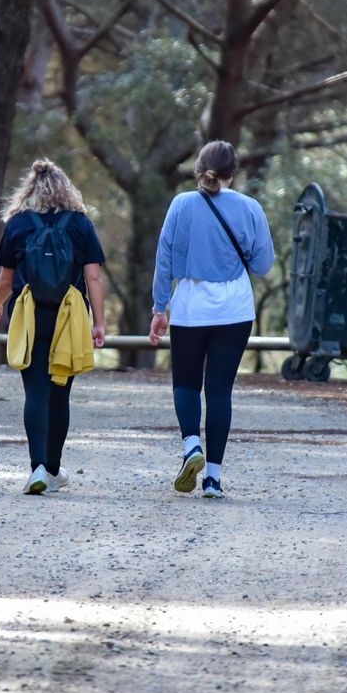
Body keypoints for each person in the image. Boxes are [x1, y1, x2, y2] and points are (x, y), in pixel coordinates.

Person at [149, 141, 275, 498]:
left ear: (198, 169)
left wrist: (160, 308)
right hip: (234, 310)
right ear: (233, 172)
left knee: (186, 384)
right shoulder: (251, 208)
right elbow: (264, 266)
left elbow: (164, 259)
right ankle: (214, 481)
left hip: (190, 309)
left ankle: (192, 447)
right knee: (219, 390)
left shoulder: (181, 205)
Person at [0, 160, 107, 495]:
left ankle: (37, 467)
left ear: (29, 191)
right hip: (69, 314)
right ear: (67, 190)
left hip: (29, 314)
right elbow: (93, 277)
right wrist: (99, 322)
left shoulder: (18, 224)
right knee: (60, 393)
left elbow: (6, 279)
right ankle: (53, 469)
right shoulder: (80, 224)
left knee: (35, 392)